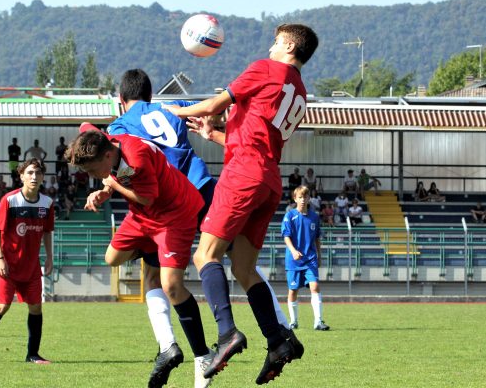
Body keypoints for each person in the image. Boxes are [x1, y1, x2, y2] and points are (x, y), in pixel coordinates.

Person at [102, 68, 290, 388]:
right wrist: (216, 126)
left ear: (121, 100)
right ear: (149, 95)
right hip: (203, 190)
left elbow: (122, 164)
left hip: (167, 205)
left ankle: (174, 347)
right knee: (241, 264)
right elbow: (214, 109)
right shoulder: (172, 106)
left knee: (156, 278)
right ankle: (281, 328)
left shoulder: (118, 127)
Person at [165, 23, 317, 384]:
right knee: (245, 269)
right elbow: (256, 139)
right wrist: (213, 133)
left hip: (243, 176)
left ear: (290, 46)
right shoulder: (299, 89)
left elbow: (218, 103)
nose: (270, 46)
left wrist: (176, 111)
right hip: (268, 180)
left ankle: (227, 333)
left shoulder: (266, 68)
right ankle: (278, 339)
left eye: (277, 41)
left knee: (205, 256)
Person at [66, 128, 213, 387]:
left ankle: (203, 356)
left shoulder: (138, 158)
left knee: (171, 286)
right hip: (144, 217)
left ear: (109, 155)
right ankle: (168, 346)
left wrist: (110, 185)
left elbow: (146, 197)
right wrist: (105, 190)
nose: (91, 176)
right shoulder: (102, 142)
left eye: (92, 171)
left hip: (174, 214)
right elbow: (86, 127)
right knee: (112, 258)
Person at [0, 158, 54, 364]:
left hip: (30, 267)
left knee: (36, 307)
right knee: (2, 306)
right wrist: (0, 258)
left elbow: (47, 232)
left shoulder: (47, 203)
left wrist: (49, 257)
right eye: (29, 173)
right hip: (8, 266)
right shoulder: (10, 200)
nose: (34, 177)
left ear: (43, 177)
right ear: (21, 176)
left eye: (38, 173)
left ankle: (32, 354)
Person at [282, 186, 329, 332]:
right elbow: (286, 237)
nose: (303, 200)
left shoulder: (314, 217)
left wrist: (319, 256)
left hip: (310, 259)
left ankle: (318, 321)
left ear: (309, 199)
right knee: (293, 291)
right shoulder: (290, 216)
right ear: (295, 199)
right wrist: (293, 251)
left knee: (314, 286)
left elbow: (317, 239)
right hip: (294, 259)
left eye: (305, 197)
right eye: (300, 197)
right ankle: (293, 321)